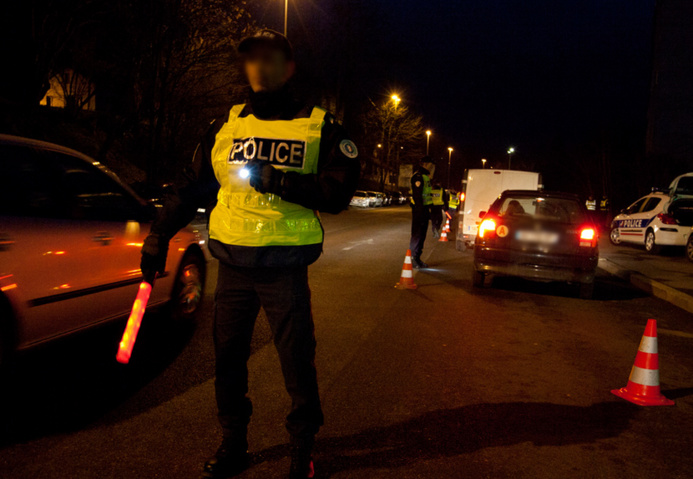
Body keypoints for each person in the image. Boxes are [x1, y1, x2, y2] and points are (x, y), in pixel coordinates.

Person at [139, 29, 360, 479]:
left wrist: (281, 181)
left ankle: (302, 448)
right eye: (252, 58)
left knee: (297, 362)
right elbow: (193, 185)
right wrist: (159, 233)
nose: (259, 66)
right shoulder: (228, 124)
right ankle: (233, 442)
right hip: (234, 266)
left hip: (285, 267)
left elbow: (339, 191)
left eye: (269, 58)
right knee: (228, 361)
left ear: (288, 68)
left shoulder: (317, 125)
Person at [409, 157, 435, 268]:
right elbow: (417, 195)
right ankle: (413, 259)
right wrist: (421, 211)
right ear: (424, 164)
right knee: (417, 235)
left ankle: (417, 258)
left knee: (422, 235)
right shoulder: (418, 176)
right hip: (419, 210)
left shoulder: (426, 177)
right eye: (430, 165)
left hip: (424, 210)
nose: (432, 168)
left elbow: (427, 195)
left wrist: (430, 210)